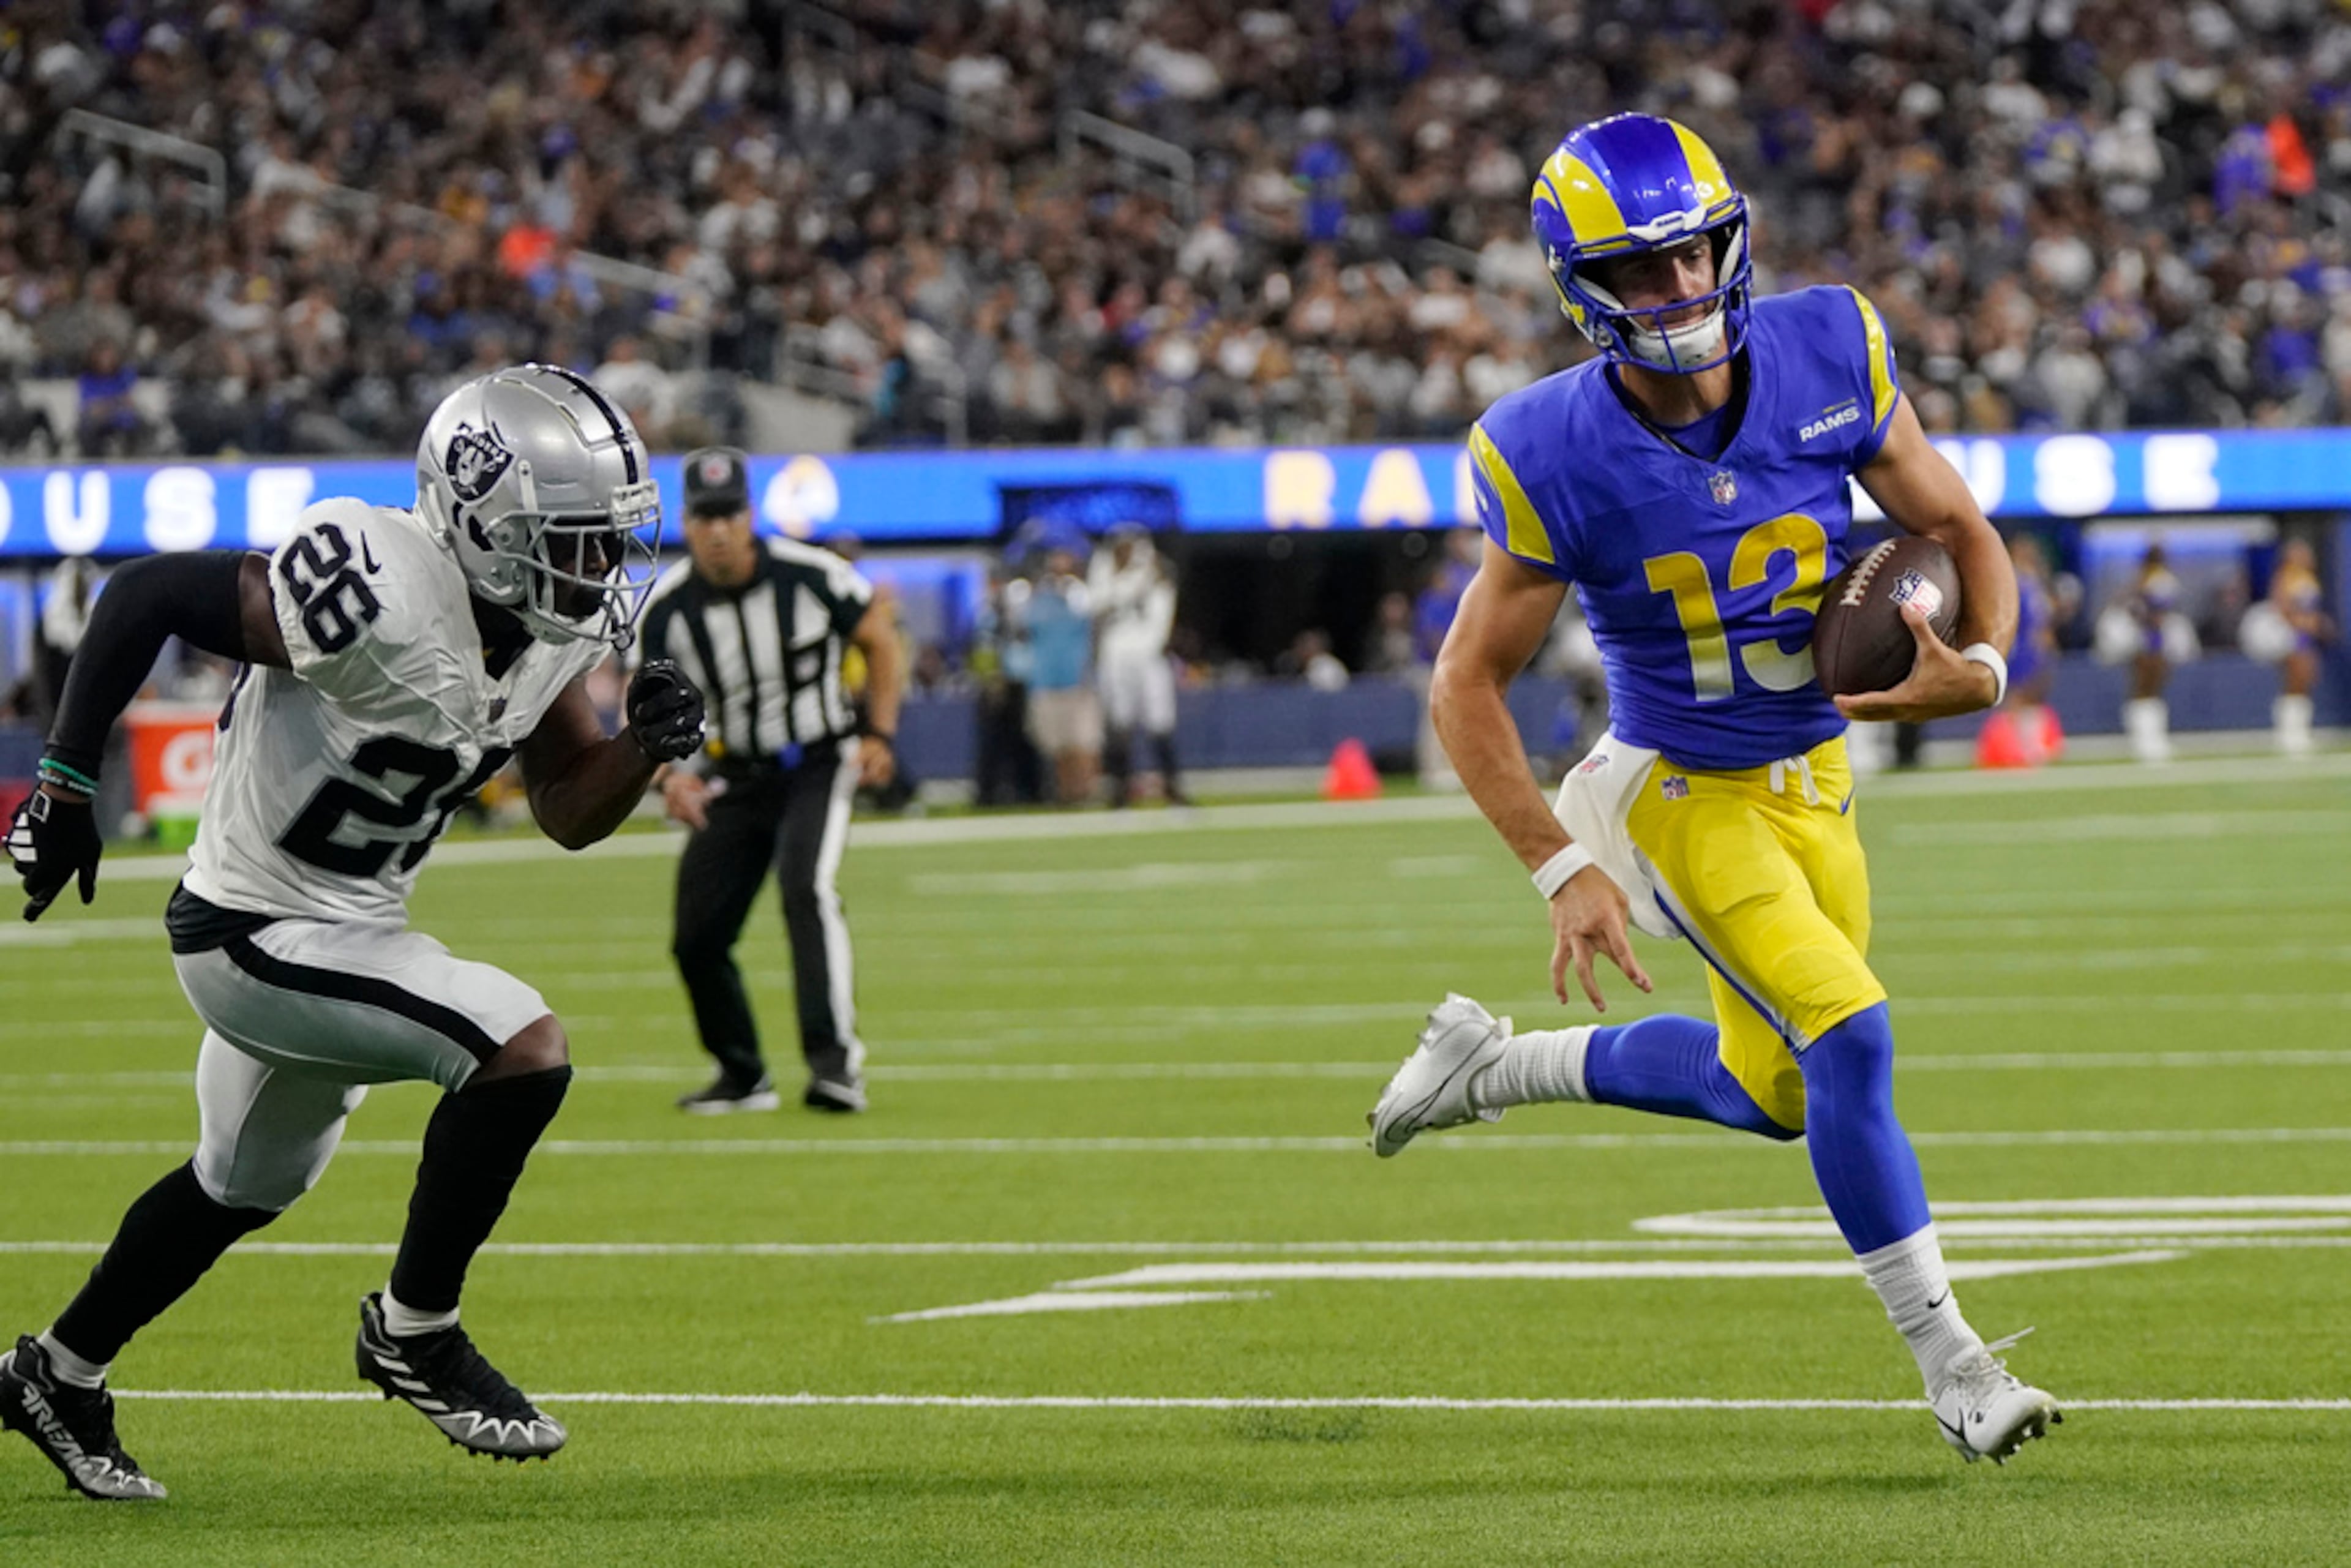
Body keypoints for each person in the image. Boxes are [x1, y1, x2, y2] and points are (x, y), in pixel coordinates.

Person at [1366, 115, 2057, 1463]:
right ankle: (1956, 1366)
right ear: (1582, 287)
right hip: (1681, 787)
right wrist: (1562, 866)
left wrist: (1980, 666)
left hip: (1817, 774)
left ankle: (1496, 1066)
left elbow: (1961, 528)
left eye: (1696, 253)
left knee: (1778, 1093)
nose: (1681, 287)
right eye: (1642, 267)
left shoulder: (1830, 346)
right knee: (1851, 1033)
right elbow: (1464, 683)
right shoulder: (1549, 446)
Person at [0, 364, 707, 1498]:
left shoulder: (544, 632)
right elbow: (146, 593)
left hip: (347, 926)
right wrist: (66, 783)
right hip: (250, 926)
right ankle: (416, 1330)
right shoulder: (378, 584)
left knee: (239, 1185)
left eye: (608, 538)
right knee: (520, 1043)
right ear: (484, 526)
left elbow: (567, 809)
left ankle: (57, 1371)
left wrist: (639, 749)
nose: (600, 566)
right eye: (573, 539)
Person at [637, 448, 902, 1114]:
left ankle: (835, 1066)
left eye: (729, 514)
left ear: (751, 516)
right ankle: (742, 1073)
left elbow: (880, 637)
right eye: (705, 517)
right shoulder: (668, 608)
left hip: (815, 761)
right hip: (733, 772)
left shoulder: (810, 574)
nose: (718, 531)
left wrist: (880, 732)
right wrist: (669, 777)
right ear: (687, 524)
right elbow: (650, 708)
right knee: (697, 934)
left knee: (805, 889)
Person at [1089, 523, 1187, 806]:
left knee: (1161, 721)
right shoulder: (1104, 572)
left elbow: (1163, 613)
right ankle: (1120, 792)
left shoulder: (1155, 573)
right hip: (1117, 656)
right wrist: (1123, 584)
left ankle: (1173, 788)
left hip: (1148, 656)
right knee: (1120, 722)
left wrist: (1145, 579)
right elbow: (1096, 606)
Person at [1019, 544, 1101, 806]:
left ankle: (1086, 791)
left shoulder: (1082, 596)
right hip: (1046, 678)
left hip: (1077, 678)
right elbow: (1024, 630)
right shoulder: (1037, 599)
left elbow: (1095, 629)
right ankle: (1066, 793)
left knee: (1083, 742)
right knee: (1057, 745)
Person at [2265, 538, 2332, 756]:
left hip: (2306, 636)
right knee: (2294, 680)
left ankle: (2301, 730)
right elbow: (2282, 607)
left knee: (2307, 679)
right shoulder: (2285, 577)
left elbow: (2312, 609)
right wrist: (2298, 625)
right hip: (2293, 635)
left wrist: (2317, 625)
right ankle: (2288, 732)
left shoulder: (2308, 578)